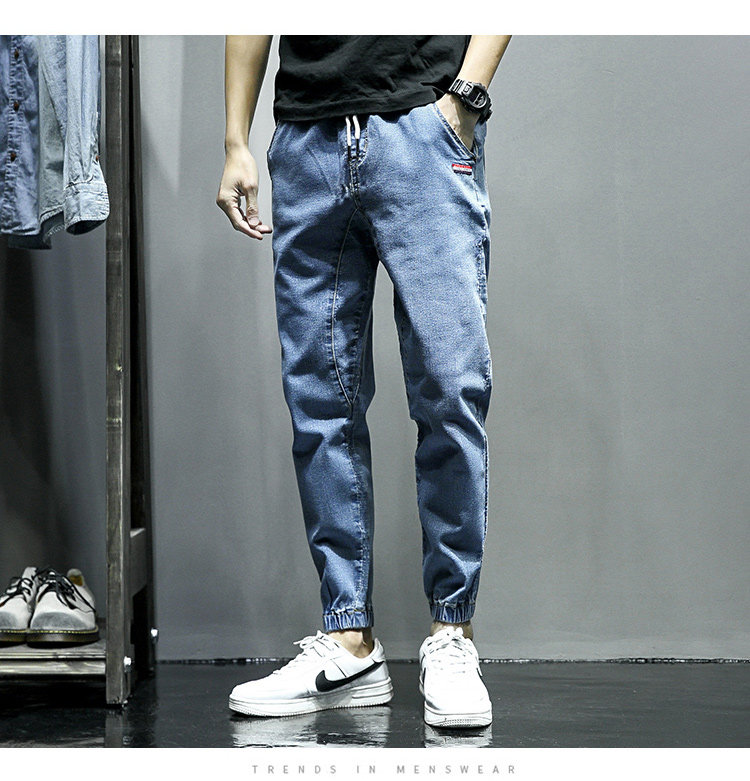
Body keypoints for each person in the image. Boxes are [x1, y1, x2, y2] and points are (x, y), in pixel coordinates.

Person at [217, 34, 511, 729]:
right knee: (320, 399)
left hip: (422, 127)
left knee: (450, 390)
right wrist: (235, 139)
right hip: (305, 138)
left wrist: (465, 97)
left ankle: (452, 634)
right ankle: (349, 640)